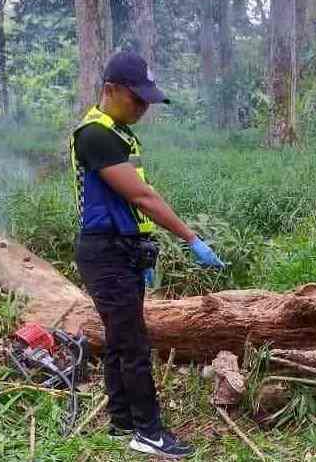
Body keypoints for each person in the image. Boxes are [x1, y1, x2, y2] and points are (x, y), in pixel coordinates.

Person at [70, 51, 225, 459]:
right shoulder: (95, 135)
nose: (142, 108)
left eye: (147, 101)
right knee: (134, 344)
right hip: (105, 253)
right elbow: (142, 196)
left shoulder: (121, 135)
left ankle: (121, 419)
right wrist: (191, 238)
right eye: (136, 99)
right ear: (110, 90)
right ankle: (149, 433)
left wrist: (144, 255)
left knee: (121, 341)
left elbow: (131, 209)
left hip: (122, 252)